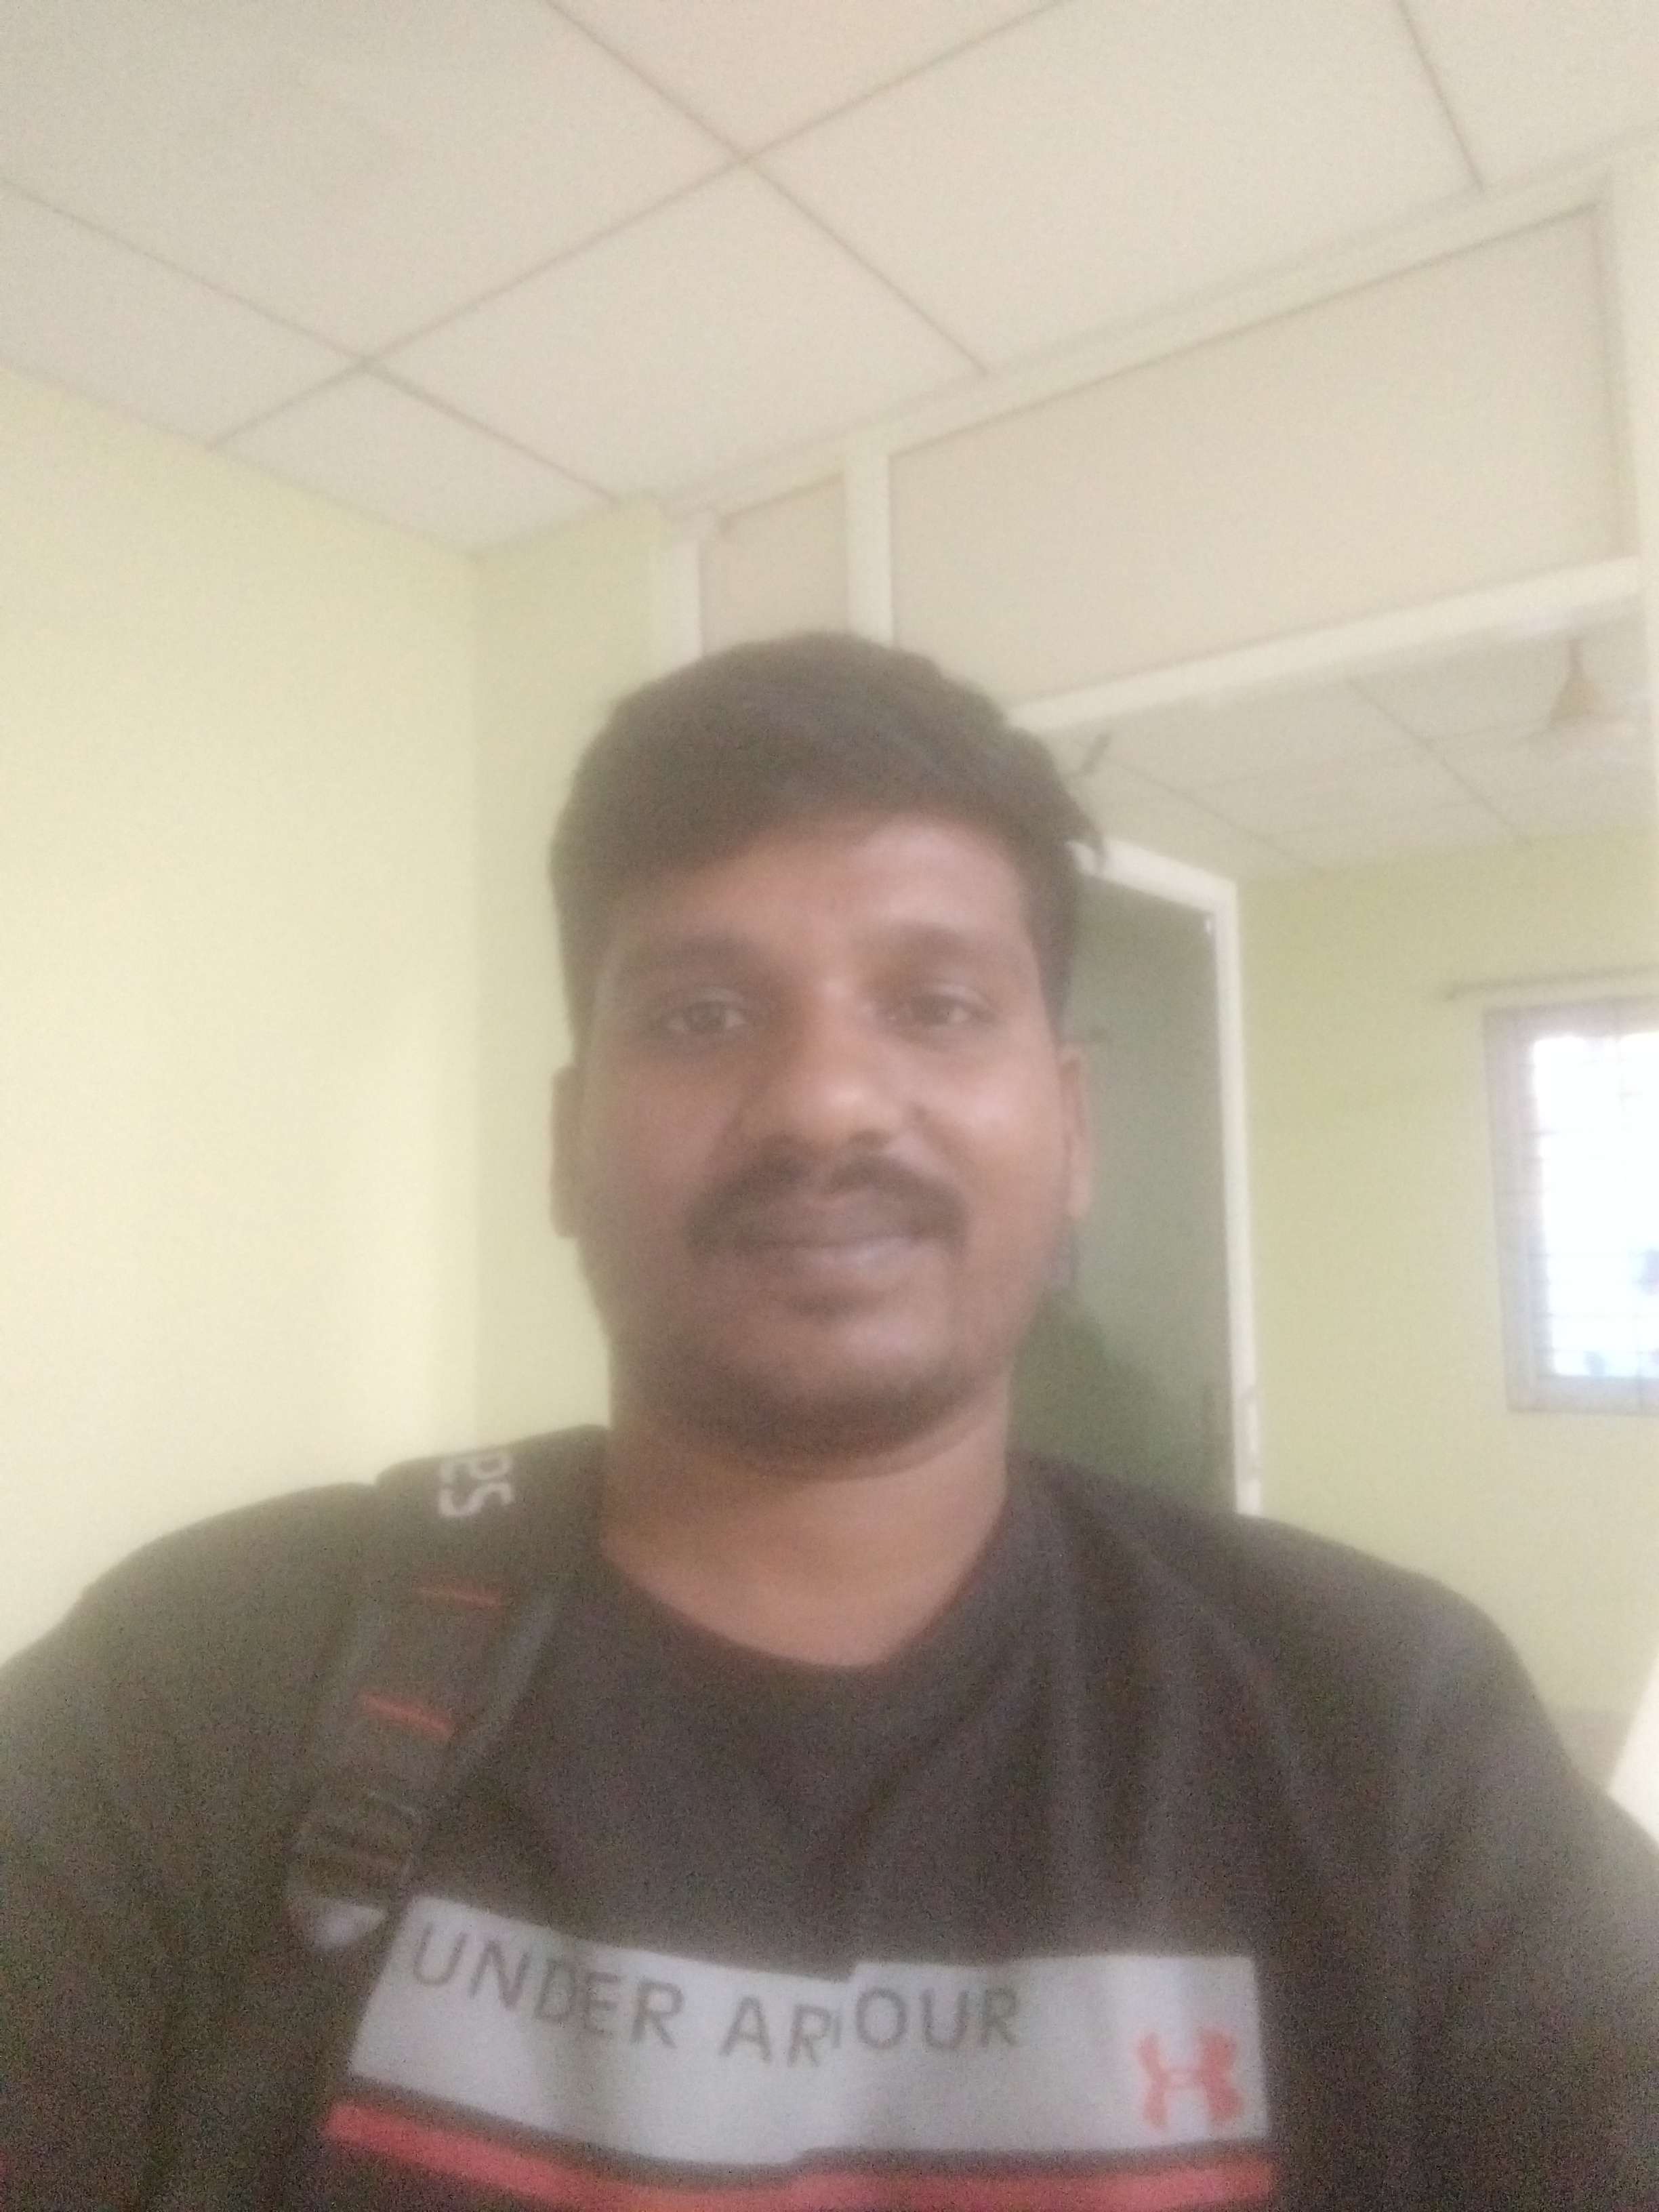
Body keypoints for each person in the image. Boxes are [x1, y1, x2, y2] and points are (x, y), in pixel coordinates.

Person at [1, 633, 1656, 2211]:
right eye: (701, 1016)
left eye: (936, 1006)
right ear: (568, 1146)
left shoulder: (1386, 1731)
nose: (822, 1103)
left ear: (1071, 1127)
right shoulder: (204, 1677)